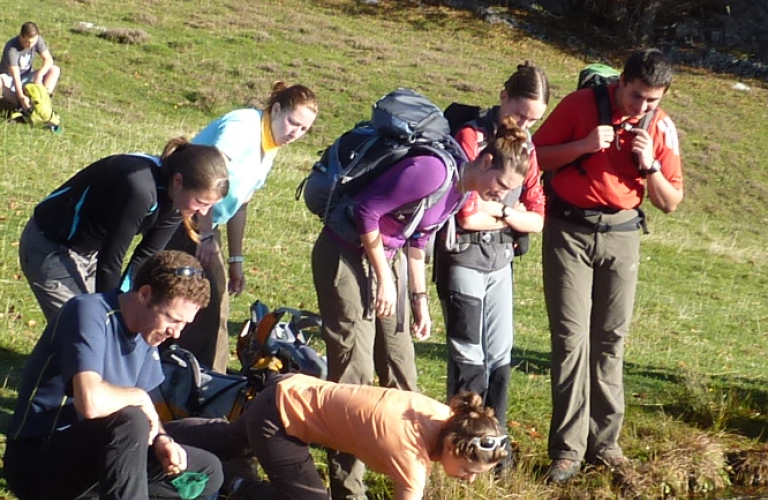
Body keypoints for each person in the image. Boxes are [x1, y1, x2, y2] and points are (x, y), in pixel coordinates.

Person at [312, 116, 532, 499]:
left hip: (388, 259)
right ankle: (347, 490)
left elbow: (419, 237)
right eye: (500, 184)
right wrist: (383, 278)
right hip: (346, 255)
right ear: (485, 162)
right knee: (354, 375)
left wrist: (419, 302)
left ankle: (406, 465)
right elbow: (366, 212)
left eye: (509, 191)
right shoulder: (433, 171)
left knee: (402, 370)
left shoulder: (464, 191)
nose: (500, 196)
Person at [532, 48, 684, 483]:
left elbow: (670, 202)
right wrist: (583, 145)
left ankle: (606, 446)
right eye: (636, 96)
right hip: (569, 231)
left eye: (652, 101)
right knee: (570, 341)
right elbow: (533, 158)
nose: (641, 108)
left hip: (622, 236)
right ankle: (566, 451)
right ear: (621, 81)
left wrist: (649, 165)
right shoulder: (579, 106)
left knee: (611, 341)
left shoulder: (661, 128)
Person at [3, 250, 224, 500]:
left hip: (98, 459)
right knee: (129, 420)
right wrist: (139, 397)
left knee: (207, 471)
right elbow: (91, 403)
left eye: (185, 324)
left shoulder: (147, 334)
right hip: (39, 462)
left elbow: (145, 413)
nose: (176, 334)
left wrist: (162, 439)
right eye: (172, 319)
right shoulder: (88, 312)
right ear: (144, 294)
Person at [434, 62, 548, 474]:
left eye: (535, 118)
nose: (525, 124)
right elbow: (466, 215)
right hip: (463, 258)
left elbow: (538, 217)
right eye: (520, 113)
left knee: (500, 358)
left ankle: (495, 450)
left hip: (500, 262)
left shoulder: (529, 151)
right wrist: (511, 213)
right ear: (503, 98)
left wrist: (497, 210)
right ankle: (462, 446)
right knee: (469, 356)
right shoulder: (472, 137)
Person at [166, 81, 318, 373]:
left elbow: (241, 204)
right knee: (210, 303)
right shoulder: (244, 125)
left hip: (208, 222)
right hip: (186, 213)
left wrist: (236, 260)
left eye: (304, 129)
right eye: (292, 122)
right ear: (275, 109)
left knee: (204, 298)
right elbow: (208, 176)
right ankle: (207, 377)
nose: (295, 133)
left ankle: (189, 371)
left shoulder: (270, 145)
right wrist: (206, 233)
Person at [167, 373, 508, 500]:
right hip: (280, 419)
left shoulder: (448, 417)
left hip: (291, 391)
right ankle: (236, 483)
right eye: (468, 470)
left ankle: (158, 435)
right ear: (451, 445)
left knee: (230, 439)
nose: (468, 480)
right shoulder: (409, 454)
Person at [19, 137, 230, 322]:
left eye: (210, 206)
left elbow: (145, 258)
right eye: (201, 202)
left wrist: (126, 305)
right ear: (178, 181)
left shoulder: (177, 202)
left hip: (89, 254)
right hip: (49, 246)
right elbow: (111, 261)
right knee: (81, 326)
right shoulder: (140, 187)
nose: (203, 213)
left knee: (102, 328)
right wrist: (111, 312)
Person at [0, 22, 60, 111]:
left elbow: (48, 59)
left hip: (26, 77)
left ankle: (44, 98)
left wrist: (39, 75)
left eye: (33, 42)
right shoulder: (12, 48)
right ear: (21, 36)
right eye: (28, 42)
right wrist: (20, 96)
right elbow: (15, 75)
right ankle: (19, 104)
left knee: (54, 69)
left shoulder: (37, 40)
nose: (31, 45)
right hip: (10, 81)